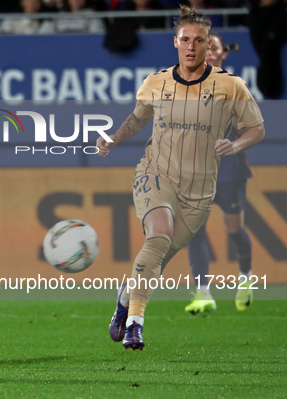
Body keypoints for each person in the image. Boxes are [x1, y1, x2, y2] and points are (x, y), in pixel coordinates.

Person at [97, 6, 265, 350]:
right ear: (175, 42)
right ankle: (135, 324)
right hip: (156, 175)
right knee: (157, 237)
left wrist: (235, 144)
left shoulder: (230, 86)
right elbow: (137, 118)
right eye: (185, 39)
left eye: (198, 40)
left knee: (156, 257)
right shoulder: (156, 82)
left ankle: (125, 299)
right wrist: (114, 137)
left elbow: (257, 128)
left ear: (208, 45)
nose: (191, 46)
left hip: (200, 191)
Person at [184, 32, 254, 315]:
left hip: (229, 170)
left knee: (235, 229)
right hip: (197, 170)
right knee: (195, 231)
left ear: (223, 53)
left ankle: (246, 278)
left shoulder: (235, 85)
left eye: (213, 48)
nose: (208, 51)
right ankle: (203, 293)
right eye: (204, 46)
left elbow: (250, 125)